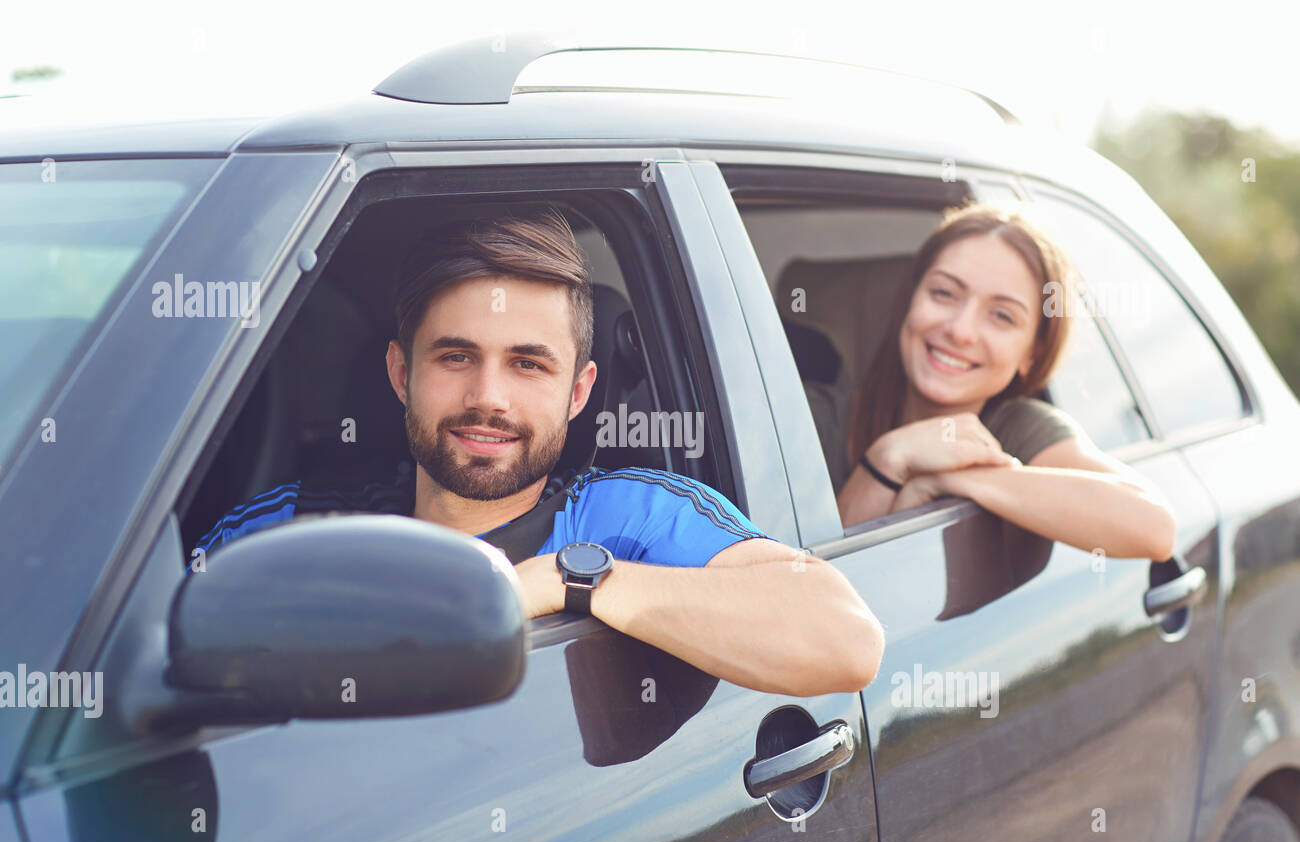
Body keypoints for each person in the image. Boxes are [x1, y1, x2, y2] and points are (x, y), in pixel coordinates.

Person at [188, 208, 884, 698]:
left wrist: (562, 582)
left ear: (580, 391)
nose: (488, 397)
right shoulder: (285, 527)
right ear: (401, 373)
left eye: (528, 365)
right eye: (456, 356)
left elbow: (844, 639)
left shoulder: (626, 515)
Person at [836, 202, 1176, 561]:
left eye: (1001, 316)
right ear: (911, 299)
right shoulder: (815, 414)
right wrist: (891, 456)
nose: (961, 330)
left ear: (1031, 354)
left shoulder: (1019, 429)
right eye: (944, 293)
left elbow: (1154, 527)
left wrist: (954, 478)